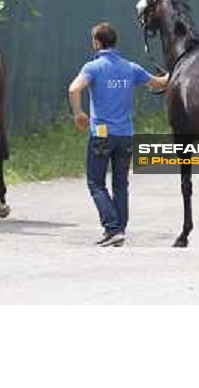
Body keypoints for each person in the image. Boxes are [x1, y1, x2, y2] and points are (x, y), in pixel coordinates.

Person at [68, 22, 169, 247]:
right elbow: (159, 84)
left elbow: (74, 89)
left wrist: (79, 114)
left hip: (102, 134)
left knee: (96, 182)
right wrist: (173, 72)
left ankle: (112, 227)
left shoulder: (93, 68)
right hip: (125, 134)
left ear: (97, 42)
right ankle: (119, 230)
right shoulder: (131, 68)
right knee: (121, 184)